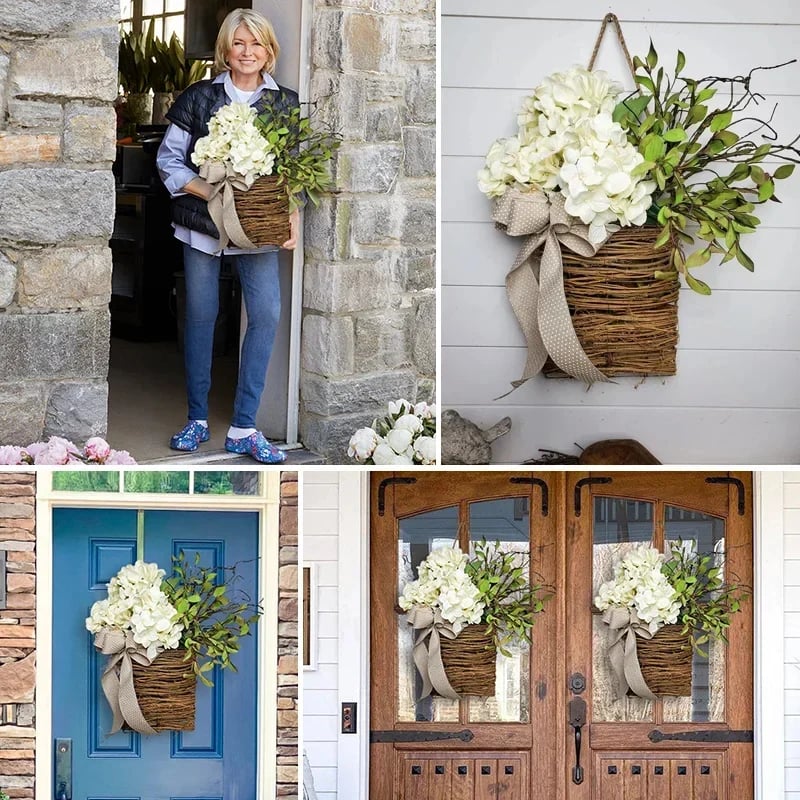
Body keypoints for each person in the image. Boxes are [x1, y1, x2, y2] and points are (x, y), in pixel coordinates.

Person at [156, 8, 298, 464]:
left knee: (266, 315)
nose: (247, 52)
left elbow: (293, 173)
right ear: (225, 50)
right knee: (201, 316)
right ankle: (197, 418)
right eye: (239, 43)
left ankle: (243, 426)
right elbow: (169, 161)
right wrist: (210, 189)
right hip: (202, 226)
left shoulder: (285, 104)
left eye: (256, 43)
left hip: (258, 229)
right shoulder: (199, 97)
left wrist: (291, 219)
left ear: (269, 50)